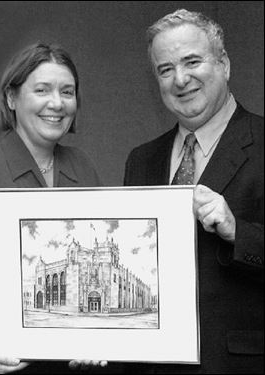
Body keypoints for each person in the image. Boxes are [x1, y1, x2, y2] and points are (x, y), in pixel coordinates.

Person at [124, 9, 263, 374]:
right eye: (165, 69)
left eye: (192, 61)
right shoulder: (141, 161)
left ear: (224, 64)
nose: (180, 79)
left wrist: (238, 231)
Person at [0, 43, 107, 373]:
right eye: (42, 90)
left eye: (67, 91)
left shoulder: (83, 167)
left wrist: (97, 338)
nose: (56, 103)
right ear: (12, 98)